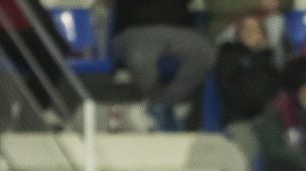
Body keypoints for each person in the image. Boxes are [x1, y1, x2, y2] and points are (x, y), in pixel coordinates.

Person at [110, 0, 215, 131]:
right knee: (141, 56)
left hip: (178, 31)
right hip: (136, 29)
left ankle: (163, 104)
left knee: (204, 53)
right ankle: (153, 109)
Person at [216, 11, 283, 154]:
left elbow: (274, 89)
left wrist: (262, 53)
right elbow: (227, 87)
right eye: (245, 29)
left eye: (254, 29)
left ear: (263, 34)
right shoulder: (229, 54)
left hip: (265, 118)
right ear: (238, 33)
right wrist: (252, 108)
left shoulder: (268, 59)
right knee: (247, 150)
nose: (249, 33)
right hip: (240, 118)